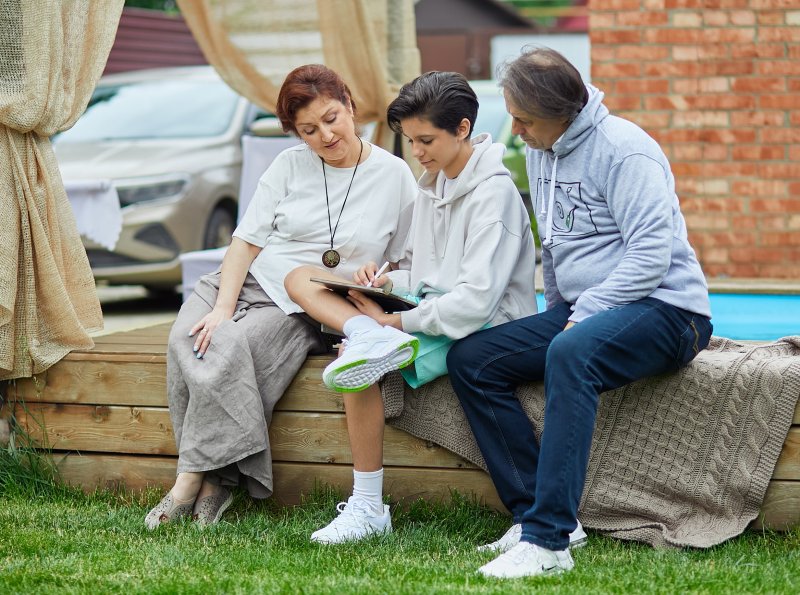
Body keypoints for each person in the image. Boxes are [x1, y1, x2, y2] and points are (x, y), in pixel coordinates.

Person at [446, 47, 714, 579]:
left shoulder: (626, 151)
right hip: (590, 308)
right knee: (472, 360)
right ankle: (537, 515)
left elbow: (650, 256)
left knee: (571, 350)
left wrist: (580, 316)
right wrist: (558, 311)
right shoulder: (543, 147)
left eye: (524, 120)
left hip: (669, 310)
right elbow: (558, 246)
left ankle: (548, 544)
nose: (515, 131)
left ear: (561, 113)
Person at [144, 64, 416, 529]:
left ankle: (191, 479)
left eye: (331, 118)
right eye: (308, 130)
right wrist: (224, 307)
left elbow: (408, 261)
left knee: (227, 348)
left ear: (350, 106)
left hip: (303, 304)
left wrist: (381, 276)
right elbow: (245, 242)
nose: (325, 136)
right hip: (243, 281)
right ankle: (216, 479)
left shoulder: (394, 175)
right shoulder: (289, 165)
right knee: (188, 339)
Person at [283, 71, 538, 544]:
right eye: (410, 141)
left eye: (426, 140)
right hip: (430, 310)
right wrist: (385, 282)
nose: (417, 152)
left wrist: (397, 320)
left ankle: (368, 505)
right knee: (301, 278)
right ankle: (366, 335)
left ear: (462, 128)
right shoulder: (432, 185)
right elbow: (423, 272)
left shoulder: (494, 195)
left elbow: (477, 303)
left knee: (356, 361)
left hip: (483, 326)